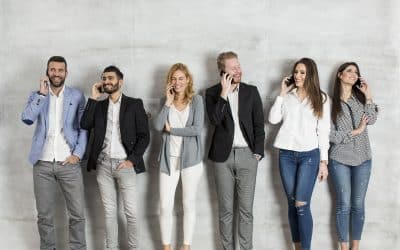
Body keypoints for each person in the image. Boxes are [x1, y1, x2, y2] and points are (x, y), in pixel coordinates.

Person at [21, 56, 87, 250]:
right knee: (44, 216)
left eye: (60, 70)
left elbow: (84, 128)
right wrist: (41, 95)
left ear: (66, 73)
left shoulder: (76, 96)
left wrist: (78, 154)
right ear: (47, 72)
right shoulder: (37, 95)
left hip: (69, 162)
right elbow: (27, 118)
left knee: (77, 214)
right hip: (42, 163)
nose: (56, 73)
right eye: (52, 70)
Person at [80, 65, 150, 250]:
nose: (106, 81)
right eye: (104, 78)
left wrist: (131, 160)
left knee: (131, 213)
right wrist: (93, 98)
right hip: (103, 165)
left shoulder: (135, 104)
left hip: (125, 165)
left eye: (110, 78)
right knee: (109, 213)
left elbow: (145, 136)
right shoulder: (99, 106)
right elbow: (85, 124)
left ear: (120, 81)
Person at [268, 57, 330, 250]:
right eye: (296, 72)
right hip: (286, 154)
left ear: (310, 74)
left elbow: (324, 131)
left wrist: (324, 161)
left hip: (309, 156)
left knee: (302, 205)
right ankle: (297, 247)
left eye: (302, 72)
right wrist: (281, 94)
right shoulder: (287, 96)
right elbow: (272, 119)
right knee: (292, 203)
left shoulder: (322, 98)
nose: (298, 75)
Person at [205, 51, 265, 250]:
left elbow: (259, 125)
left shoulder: (251, 91)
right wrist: (224, 93)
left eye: (238, 66)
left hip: (248, 156)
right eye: (233, 68)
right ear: (223, 72)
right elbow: (214, 120)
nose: (238, 70)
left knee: (246, 210)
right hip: (222, 158)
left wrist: (257, 152)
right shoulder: (212, 93)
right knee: (225, 211)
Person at [153, 63, 204, 250]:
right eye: (173, 79)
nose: (177, 82)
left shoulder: (196, 100)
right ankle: (166, 246)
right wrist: (167, 102)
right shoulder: (164, 101)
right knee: (165, 206)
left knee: (188, 203)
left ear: (188, 79)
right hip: (169, 160)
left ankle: (186, 246)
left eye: (181, 78)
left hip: (191, 161)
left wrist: (172, 130)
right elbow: (158, 127)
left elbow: (196, 129)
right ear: (169, 81)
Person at [329, 62, 378, 250]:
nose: (353, 74)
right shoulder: (329, 103)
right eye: (349, 71)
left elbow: (372, 120)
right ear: (340, 75)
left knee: (358, 204)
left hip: (363, 159)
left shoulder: (360, 99)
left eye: (356, 72)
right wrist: (355, 132)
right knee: (344, 204)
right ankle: (343, 247)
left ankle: (355, 247)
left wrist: (368, 96)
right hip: (339, 159)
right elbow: (328, 134)